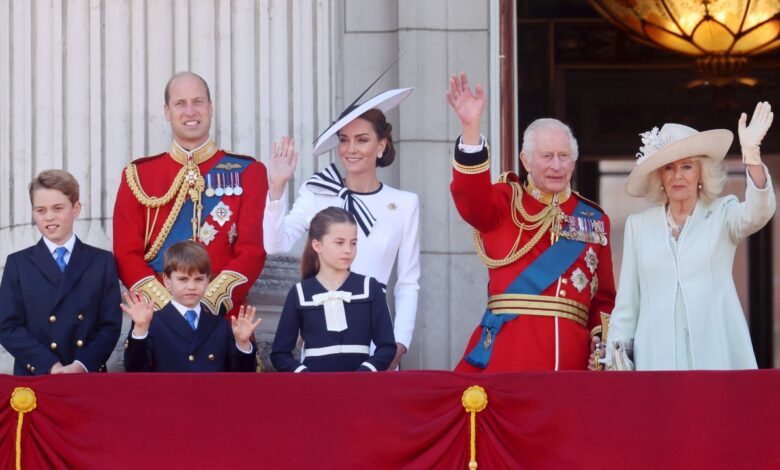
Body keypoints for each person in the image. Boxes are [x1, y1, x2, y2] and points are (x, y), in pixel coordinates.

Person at [446, 72, 616, 372]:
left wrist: (599, 346)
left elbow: (603, 299)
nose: (556, 165)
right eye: (547, 156)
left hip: (571, 363)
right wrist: (471, 128)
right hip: (507, 356)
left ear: (574, 162)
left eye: (564, 156)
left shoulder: (593, 218)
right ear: (525, 160)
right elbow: (470, 198)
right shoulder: (504, 202)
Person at [602, 102, 775, 371]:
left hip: (715, 355)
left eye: (687, 167)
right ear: (660, 176)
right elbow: (627, 305)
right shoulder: (639, 226)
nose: (678, 176)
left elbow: (758, 213)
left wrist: (751, 154)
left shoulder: (722, 213)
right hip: (656, 360)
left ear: (700, 174)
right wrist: (617, 362)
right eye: (669, 168)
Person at [264, 88, 419, 370]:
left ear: (381, 145)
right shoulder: (317, 191)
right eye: (344, 140)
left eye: (362, 140)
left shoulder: (405, 203)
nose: (351, 149)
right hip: (321, 334)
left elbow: (408, 281)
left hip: (376, 335)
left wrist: (399, 342)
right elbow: (276, 244)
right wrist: (276, 189)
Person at [113, 71, 267, 317]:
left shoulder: (249, 172)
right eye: (180, 103)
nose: (190, 111)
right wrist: (168, 309)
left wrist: (207, 306)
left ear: (211, 107)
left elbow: (252, 251)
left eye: (198, 102)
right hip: (158, 321)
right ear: (167, 112)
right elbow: (126, 253)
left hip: (223, 322)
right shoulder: (138, 176)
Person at [0, 170, 122, 375]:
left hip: (87, 375)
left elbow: (110, 325)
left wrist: (81, 365)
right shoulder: (18, 264)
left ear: (75, 208)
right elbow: (7, 326)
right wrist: (49, 365)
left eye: (58, 208)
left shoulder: (102, 261)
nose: (49, 217)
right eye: (41, 210)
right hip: (38, 375)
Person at [270, 207, 397, 372]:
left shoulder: (369, 287)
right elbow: (280, 354)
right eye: (339, 242)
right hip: (316, 392)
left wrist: (365, 373)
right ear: (317, 245)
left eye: (353, 243)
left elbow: (387, 347)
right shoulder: (300, 293)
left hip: (361, 391)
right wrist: (306, 376)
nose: (348, 250)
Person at [122, 240, 260, 372]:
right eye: (183, 279)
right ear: (167, 281)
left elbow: (241, 379)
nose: (191, 286)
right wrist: (139, 331)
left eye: (199, 279)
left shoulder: (222, 326)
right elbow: (135, 370)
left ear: (208, 281)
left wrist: (242, 344)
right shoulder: (151, 323)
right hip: (167, 395)